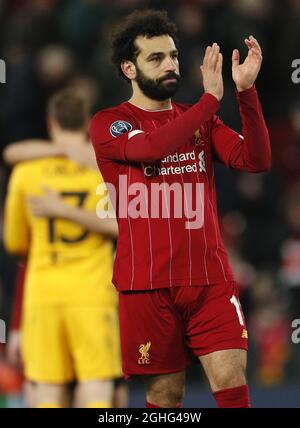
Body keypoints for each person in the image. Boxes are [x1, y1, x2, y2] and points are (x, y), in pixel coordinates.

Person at [89, 10, 271, 408]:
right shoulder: (111, 123)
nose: (170, 64)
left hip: (209, 279)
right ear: (129, 68)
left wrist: (245, 94)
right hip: (146, 284)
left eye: (172, 55)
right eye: (155, 58)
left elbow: (254, 160)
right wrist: (209, 102)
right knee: (166, 396)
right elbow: (152, 148)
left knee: (230, 377)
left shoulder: (198, 118)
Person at [4, 89, 122, 408]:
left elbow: (15, 242)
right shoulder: (104, 167)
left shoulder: (27, 172)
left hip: (44, 294)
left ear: (50, 122)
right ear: (87, 122)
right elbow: (127, 226)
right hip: (94, 294)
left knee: (47, 393)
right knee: (97, 390)